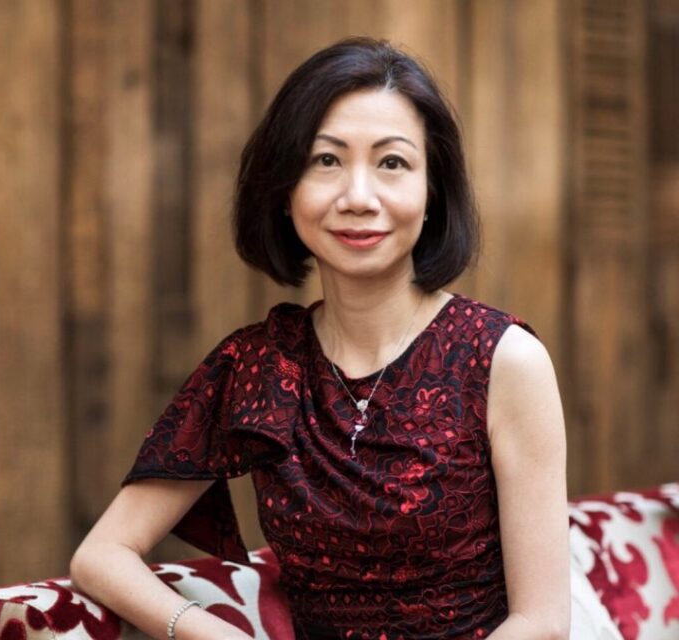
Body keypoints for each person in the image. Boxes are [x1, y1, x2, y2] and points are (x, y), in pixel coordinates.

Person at [69, 37, 570, 640]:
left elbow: (541, 622)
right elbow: (101, 556)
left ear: (433, 191)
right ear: (285, 191)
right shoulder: (257, 365)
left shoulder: (502, 360)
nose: (357, 198)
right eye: (326, 161)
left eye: (392, 163)